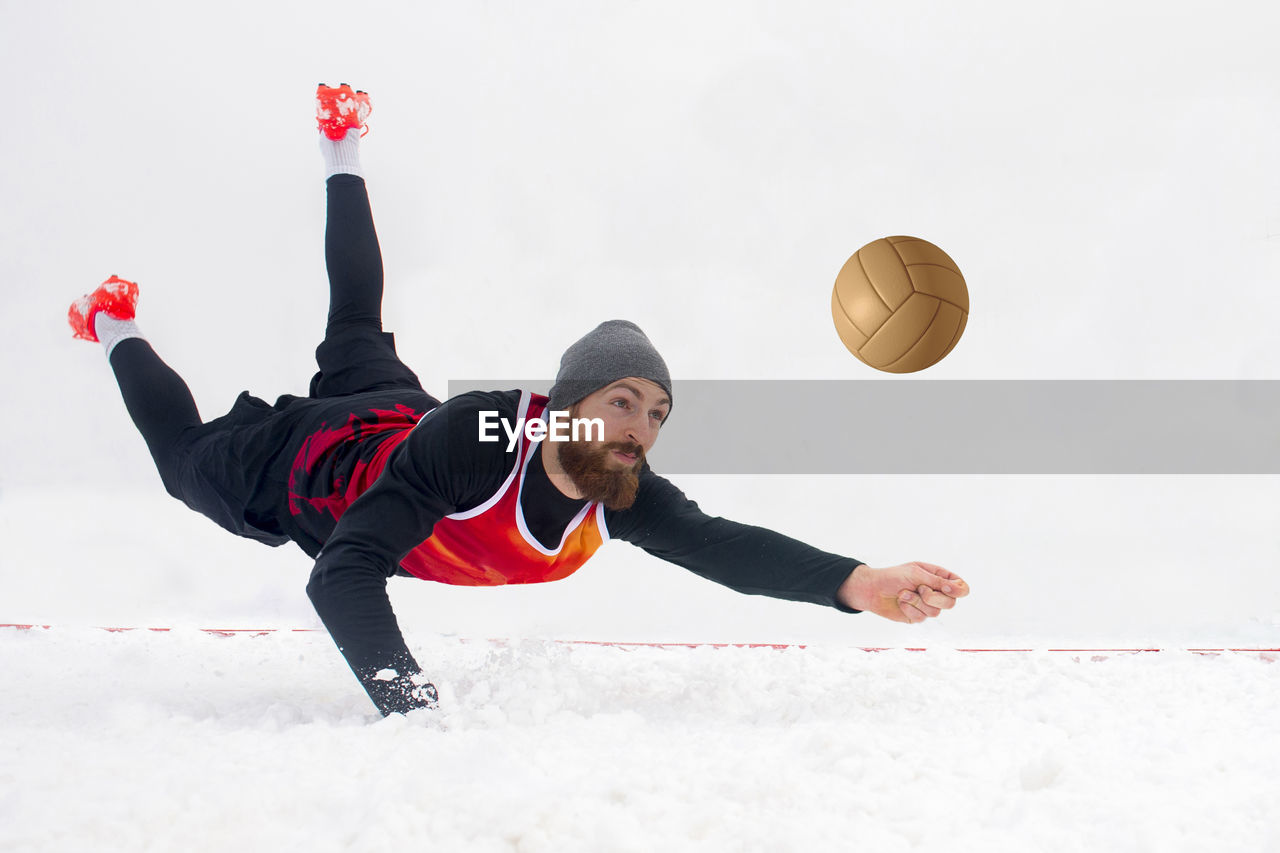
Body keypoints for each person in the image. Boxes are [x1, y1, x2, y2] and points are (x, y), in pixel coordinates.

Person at [68, 84, 970, 716]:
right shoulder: (482, 439)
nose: (640, 428)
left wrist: (858, 582)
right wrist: (412, 709)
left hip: (394, 413)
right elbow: (342, 572)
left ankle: (340, 141)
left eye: (657, 414)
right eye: (623, 401)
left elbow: (723, 547)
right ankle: (113, 324)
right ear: (568, 404)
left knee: (356, 326)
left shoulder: (619, 490)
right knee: (183, 463)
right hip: (307, 467)